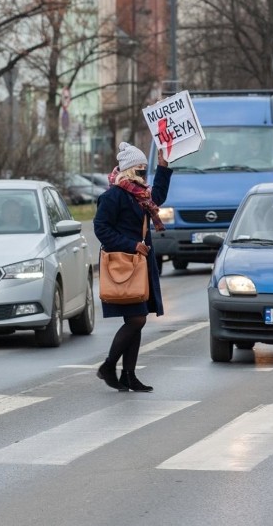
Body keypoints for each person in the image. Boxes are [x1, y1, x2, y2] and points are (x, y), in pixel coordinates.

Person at [93, 141, 172, 392]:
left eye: (144, 171)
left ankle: (129, 375)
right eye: (140, 171)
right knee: (136, 319)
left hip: (140, 264)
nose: (143, 176)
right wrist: (131, 245)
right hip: (125, 265)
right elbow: (101, 229)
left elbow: (157, 196)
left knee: (137, 319)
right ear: (128, 170)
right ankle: (108, 366)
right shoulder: (113, 196)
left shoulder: (141, 195)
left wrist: (163, 167)